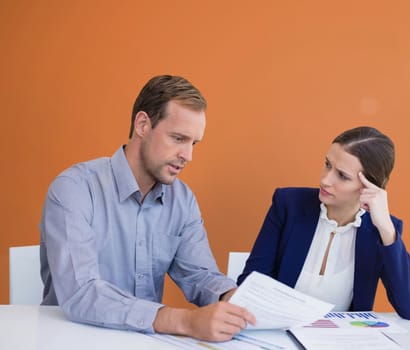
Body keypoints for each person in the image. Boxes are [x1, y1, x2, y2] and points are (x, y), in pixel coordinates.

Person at [39, 75, 255, 341]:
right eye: (178, 138)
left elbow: (199, 273)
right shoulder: (74, 189)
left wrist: (232, 299)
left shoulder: (182, 200)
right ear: (142, 124)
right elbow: (81, 292)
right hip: (72, 341)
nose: (188, 156)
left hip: (144, 341)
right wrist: (184, 320)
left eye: (193, 143)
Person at [238, 126, 410, 320]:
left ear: (370, 186)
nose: (325, 180)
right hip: (280, 333)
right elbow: (250, 285)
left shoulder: (381, 230)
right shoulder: (288, 205)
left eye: (342, 176)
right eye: (327, 164)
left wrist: (387, 229)